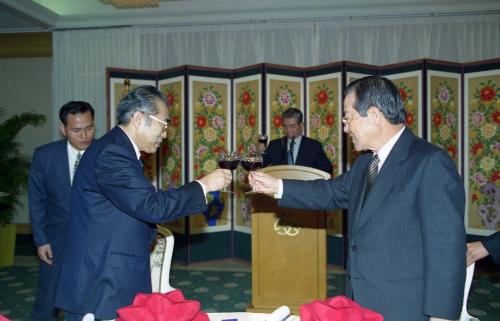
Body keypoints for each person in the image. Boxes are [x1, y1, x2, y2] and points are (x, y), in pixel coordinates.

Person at [249, 76, 466, 321]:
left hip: (404, 306)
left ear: (373, 115)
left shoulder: (430, 162)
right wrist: (277, 186)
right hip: (361, 302)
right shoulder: (366, 163)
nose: (344, 127)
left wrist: (441, 316)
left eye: (347, 117)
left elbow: (446, 251)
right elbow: (331, 192)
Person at [54, 85, 232, 321]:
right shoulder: (113, 153)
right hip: (102, 282)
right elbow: (152, 206)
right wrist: (204, 185)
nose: (165, 134)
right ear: (139, 118)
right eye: (163, 124)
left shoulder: (117, 148)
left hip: (109, 273)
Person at [29, 101, 95, 321]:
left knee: (90, 298)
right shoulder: (44, 156)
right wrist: (41, 240)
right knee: (48, 297)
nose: (84, 135)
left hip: (94, 240)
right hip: (56, 240)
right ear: (63, 129)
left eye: (89, 128)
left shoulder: (105, 154)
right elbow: (37, 201)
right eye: (76, 130)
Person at [261, 107, 333, 174]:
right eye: (285, 126)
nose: (287, 130)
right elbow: (251, 164)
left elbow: (328, 169)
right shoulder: (275, 145)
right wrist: (257, 153)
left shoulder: (314, 146)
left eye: (292, 126)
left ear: (301, 125)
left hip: (304, 186)